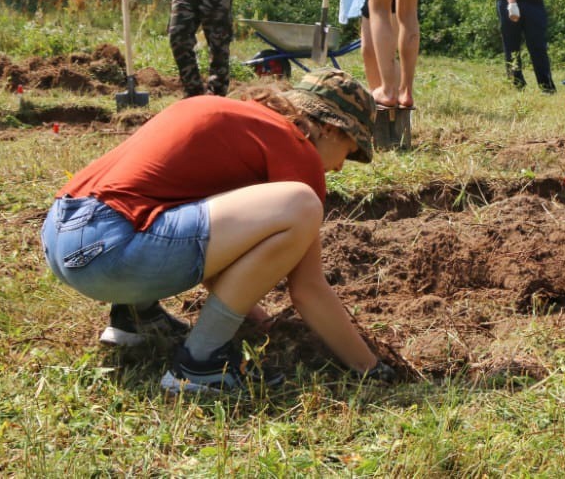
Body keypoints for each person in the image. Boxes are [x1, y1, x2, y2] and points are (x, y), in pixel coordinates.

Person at [40, 69, 395, 393]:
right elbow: (308, 289)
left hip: (62, 236)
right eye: (348, 152)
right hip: (110, 252)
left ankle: (137, 318)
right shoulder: (296, 148)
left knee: (161, 200)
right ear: (329, 127)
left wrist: (257, 320)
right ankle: (201, 365)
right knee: (302, 205)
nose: (337, 168)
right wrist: (370, 367)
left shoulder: (238, 122)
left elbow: (214, 247)